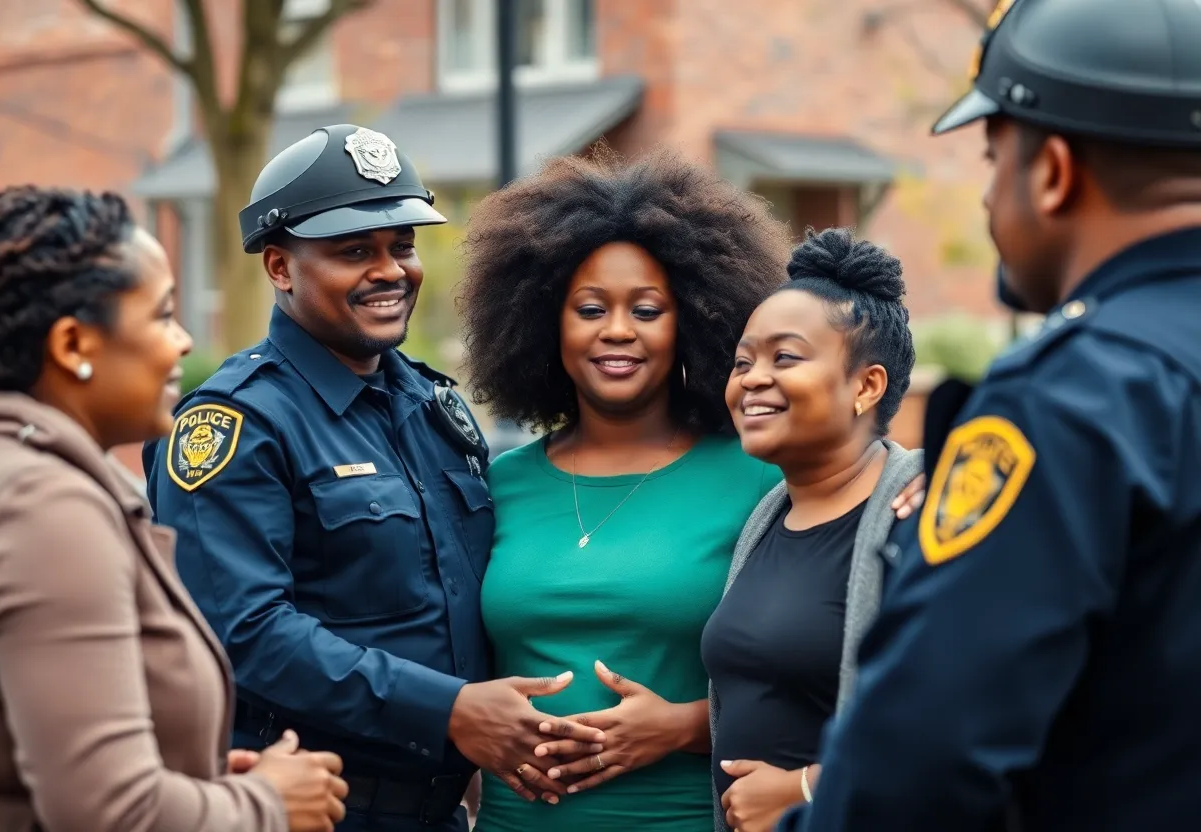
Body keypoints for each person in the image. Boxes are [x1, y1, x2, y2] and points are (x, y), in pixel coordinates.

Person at [779, 0, 1201, 830]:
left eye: (992, 157)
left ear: (1051, 173)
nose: (984, 197)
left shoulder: (1074, 398)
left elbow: (917, 765)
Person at [143, 125, 603, 832]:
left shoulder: (434, 406)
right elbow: (242, 631)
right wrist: (447, 711)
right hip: (313, 811)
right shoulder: (235, 424)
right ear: (279, 267)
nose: (391, 270)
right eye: (354, 251)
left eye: (403, 246)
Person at [453, 148, 924, 832]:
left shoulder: (763, 479)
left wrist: (678, 727)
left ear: (694, 323)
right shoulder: (500, 484)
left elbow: (802, 679)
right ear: (543, 323)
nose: (618, 330)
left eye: (648, 309)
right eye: (590, 308)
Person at [0, 185, 347, 832]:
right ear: (73, 345)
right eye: (161, 315)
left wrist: (201, 782)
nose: (182, 342)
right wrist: (267, 804)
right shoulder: (46, 511)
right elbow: (111, 812)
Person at [704, 227, 923, 832]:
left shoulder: (919, 511)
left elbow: (969, 722)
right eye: (743, 361)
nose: (750, 378)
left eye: (786, 357)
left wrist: (807, 788)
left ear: (866, 385)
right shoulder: (768, 517)